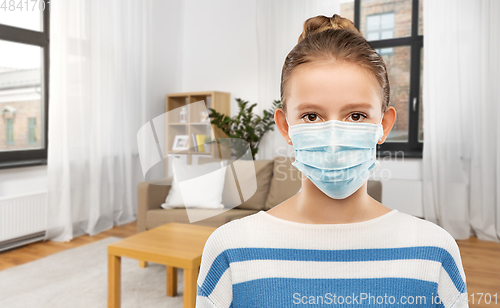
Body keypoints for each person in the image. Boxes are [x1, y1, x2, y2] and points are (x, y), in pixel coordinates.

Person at [196, 13, 468, 308]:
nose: (334, 138)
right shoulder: (230, 250)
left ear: (384, 125)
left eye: (356, 115)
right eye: (311, 116)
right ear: (286, 126)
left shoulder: (434, 252)